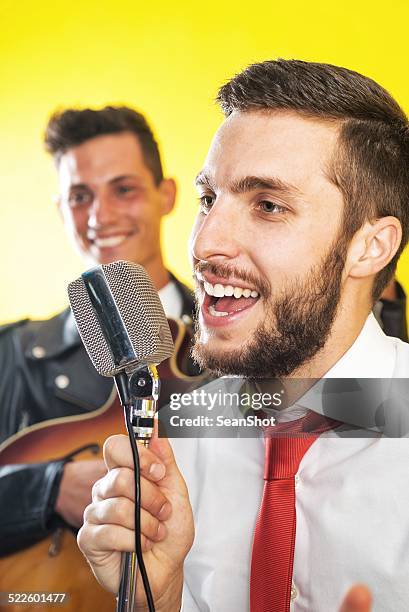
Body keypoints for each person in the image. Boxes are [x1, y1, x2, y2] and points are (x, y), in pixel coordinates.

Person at [78, 60, 409, 612]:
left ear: (370, 247)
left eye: (269, 205)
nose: (206, 244)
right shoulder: (178, 444)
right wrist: (155, 599)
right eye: (209, 200)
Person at [0, 106, 200, 555]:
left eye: (123, 189)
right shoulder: (12, 353)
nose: (100, 216)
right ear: (60, 209)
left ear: (166, 195)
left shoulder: (238, 341)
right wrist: (49, 488)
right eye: (79, 196)